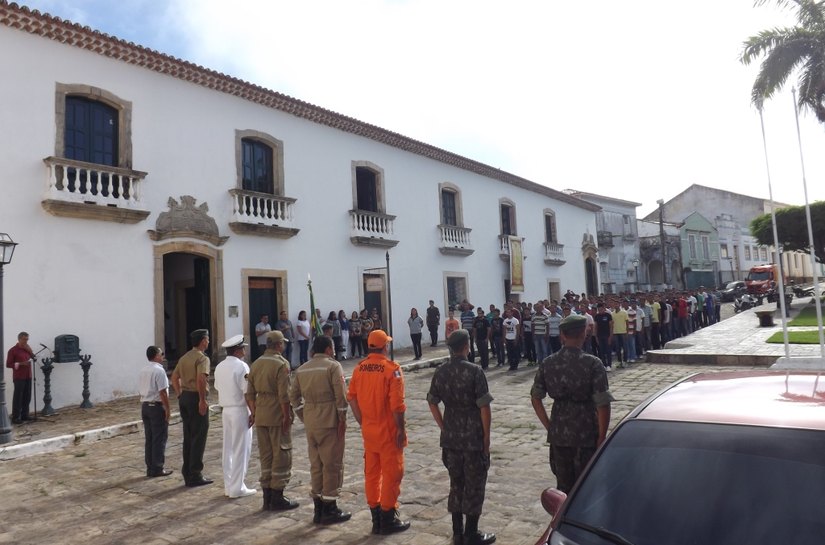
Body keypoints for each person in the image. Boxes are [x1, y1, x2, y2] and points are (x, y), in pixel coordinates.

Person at [530, 315, 614, 493]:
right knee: (588, 487)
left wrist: (549, 426)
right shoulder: (592, 363)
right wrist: (601, 437)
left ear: (562, 335)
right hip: (587, 433)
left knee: (564, 487)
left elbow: (536, 397)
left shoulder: (548, 362)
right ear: (584, 333)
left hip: (559, 433)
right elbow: (603, 404)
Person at [427, 330, 496, 545]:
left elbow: (432, 401)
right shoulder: (474, 371)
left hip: (451, 438)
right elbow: (484, 408)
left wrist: (443, 425)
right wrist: (486, 438)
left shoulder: (441, 371)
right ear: (467, 346)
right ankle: (471, 533)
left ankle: (457, 533)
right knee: (474, 485)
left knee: (456, 484)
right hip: (473, 437)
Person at [346, 330, 411, 535]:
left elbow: (352, 398)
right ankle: (387, 516)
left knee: (372, 474)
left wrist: (362, 421)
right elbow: (397, 405)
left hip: (369, 431)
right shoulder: (392, 369)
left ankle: (376, 516)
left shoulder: (359, 369)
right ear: (384, 346)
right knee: (393, 473)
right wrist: (401, 429)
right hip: (389, 431)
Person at [290, 335, 351, 524]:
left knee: (316, 464)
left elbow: (293, 397)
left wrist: (303, 415)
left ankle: (318, 507)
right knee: (332, 464)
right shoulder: (333, 366)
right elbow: (340, 396)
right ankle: (330, 507)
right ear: (328, 349)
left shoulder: (302, 369)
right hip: (330, 420)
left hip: (311, 421)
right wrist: (342, 418)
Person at [247, 330, 299, 512]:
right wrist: (286, 416)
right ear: (278, 345)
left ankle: (267, 496)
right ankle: (277, 495)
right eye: (282, 343)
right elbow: (284, 395)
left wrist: (254, 413)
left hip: (261, 412)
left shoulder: (256, 363)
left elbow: (250, 393)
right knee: (282, 453)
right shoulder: (281, 364)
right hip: (276, 412)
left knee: (266, 454)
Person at [214, 335, 257, 499]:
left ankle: (229, 485)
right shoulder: (242, 366)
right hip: (239, 410)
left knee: (229, 448)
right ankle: (237, 487)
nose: (245, 351)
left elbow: (218, 387)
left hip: (226, 410)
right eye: (243, 348)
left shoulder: (219, 366)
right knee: (241, 448)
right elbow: (247, 392)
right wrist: (253, 412)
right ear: (238, 350)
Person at [171, 328, 213, 487]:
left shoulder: (184, 357)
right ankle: (195, 472)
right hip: (196, 397)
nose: (208, 342)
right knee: (199, 436)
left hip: (185, 397)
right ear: (203, 341)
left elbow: (174, 377)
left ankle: (187, 471)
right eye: (207, 339)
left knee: (188, 435)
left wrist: (180, 394)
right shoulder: (202, 359)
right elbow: (201, 379)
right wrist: (202, 400)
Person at [139, 346, 172, 477]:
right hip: (156, 406)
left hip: (145, 406)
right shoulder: (159, 371)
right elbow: (163, 391)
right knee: (159, 438)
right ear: (156, 356)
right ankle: (157, 467)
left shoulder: (143, 370)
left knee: (150, 438)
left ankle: (150, 467)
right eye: (161, 354)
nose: (163, 356)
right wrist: (168, 409)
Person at [6, 331, 35, 424]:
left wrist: (30, 351)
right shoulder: (13, 350)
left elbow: (34, 358)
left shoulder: (27, 349)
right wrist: (21, 364)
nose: (26, 341)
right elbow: (8, 364)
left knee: (27, 395)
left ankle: (25, 415)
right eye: (24, 339)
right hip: (19, 377)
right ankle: (16, 417)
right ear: (19, 339)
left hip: (28, 375)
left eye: (27, 339)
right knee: (18, 397)